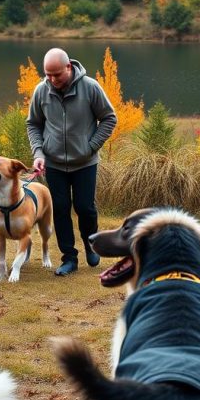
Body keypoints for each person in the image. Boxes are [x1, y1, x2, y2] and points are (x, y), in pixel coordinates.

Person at [27, 48, 117, 276]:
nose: (52, 79)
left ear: (69, 67)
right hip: (53, 164)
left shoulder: (90, 87)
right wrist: (38, 153)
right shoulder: (41, 91)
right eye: (48, 74)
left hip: (85, 162)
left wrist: (90, 146)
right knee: (60, 209)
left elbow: (109, 118)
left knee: (85, 208)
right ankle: (69, 258)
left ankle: (91, 244)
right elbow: (34, 125)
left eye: (56, 74)